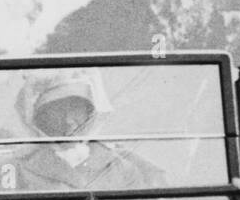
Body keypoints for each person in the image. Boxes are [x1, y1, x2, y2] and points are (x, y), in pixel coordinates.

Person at [16, 74, 166, 191]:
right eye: (58, 111)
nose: (69, 121)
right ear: (39, 118)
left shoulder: (122, 165)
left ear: (90, 112)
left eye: (76, 108)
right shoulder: (16, 167)